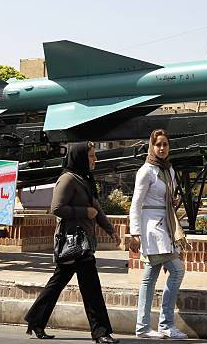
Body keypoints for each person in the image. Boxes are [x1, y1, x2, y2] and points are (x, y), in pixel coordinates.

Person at [24, 141, 121, 343]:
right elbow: (57, 208)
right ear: (80, 157)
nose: (95, 159)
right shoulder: (67, 179)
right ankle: (101, 333)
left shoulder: (85, 179)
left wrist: (111, 231)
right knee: (91, 288)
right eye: (92, 156)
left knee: (59, 284)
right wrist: (83, 212)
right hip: (72, 242)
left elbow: (97, 209)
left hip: (82, 243)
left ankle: (36, 320)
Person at [129, 129, 189, 340]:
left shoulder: (168, 170)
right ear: (151, 146)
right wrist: (134, 233)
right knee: (177, 270)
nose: (162, 148)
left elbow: (166, 197)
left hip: (165, 226)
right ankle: (164, 324)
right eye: (158, 144)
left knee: (150, 277)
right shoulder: (146, 171)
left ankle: (144, 326)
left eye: (165, 144)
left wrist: (170, 202)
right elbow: (135, 204)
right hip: (152, 228)